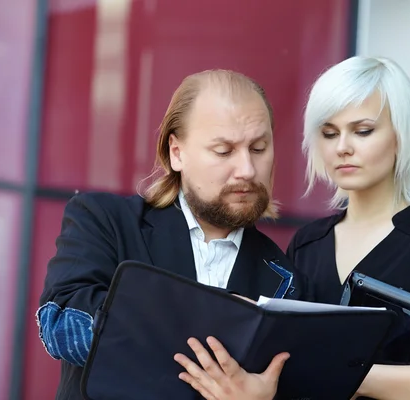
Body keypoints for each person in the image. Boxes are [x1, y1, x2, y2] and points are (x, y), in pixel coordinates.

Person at [174, 56, 410, 400]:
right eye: (329, 133)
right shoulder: (307, 244)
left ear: (400, 135)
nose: (342, 148)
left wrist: (352, 375)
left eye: (363, 130)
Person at [36, 69, 312, 400]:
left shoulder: (287, 278)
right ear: (176, 152)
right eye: (224, 151)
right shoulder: (103, 220)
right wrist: (219, 322)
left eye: (258, 148)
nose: (247, 170)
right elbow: (62, 326)